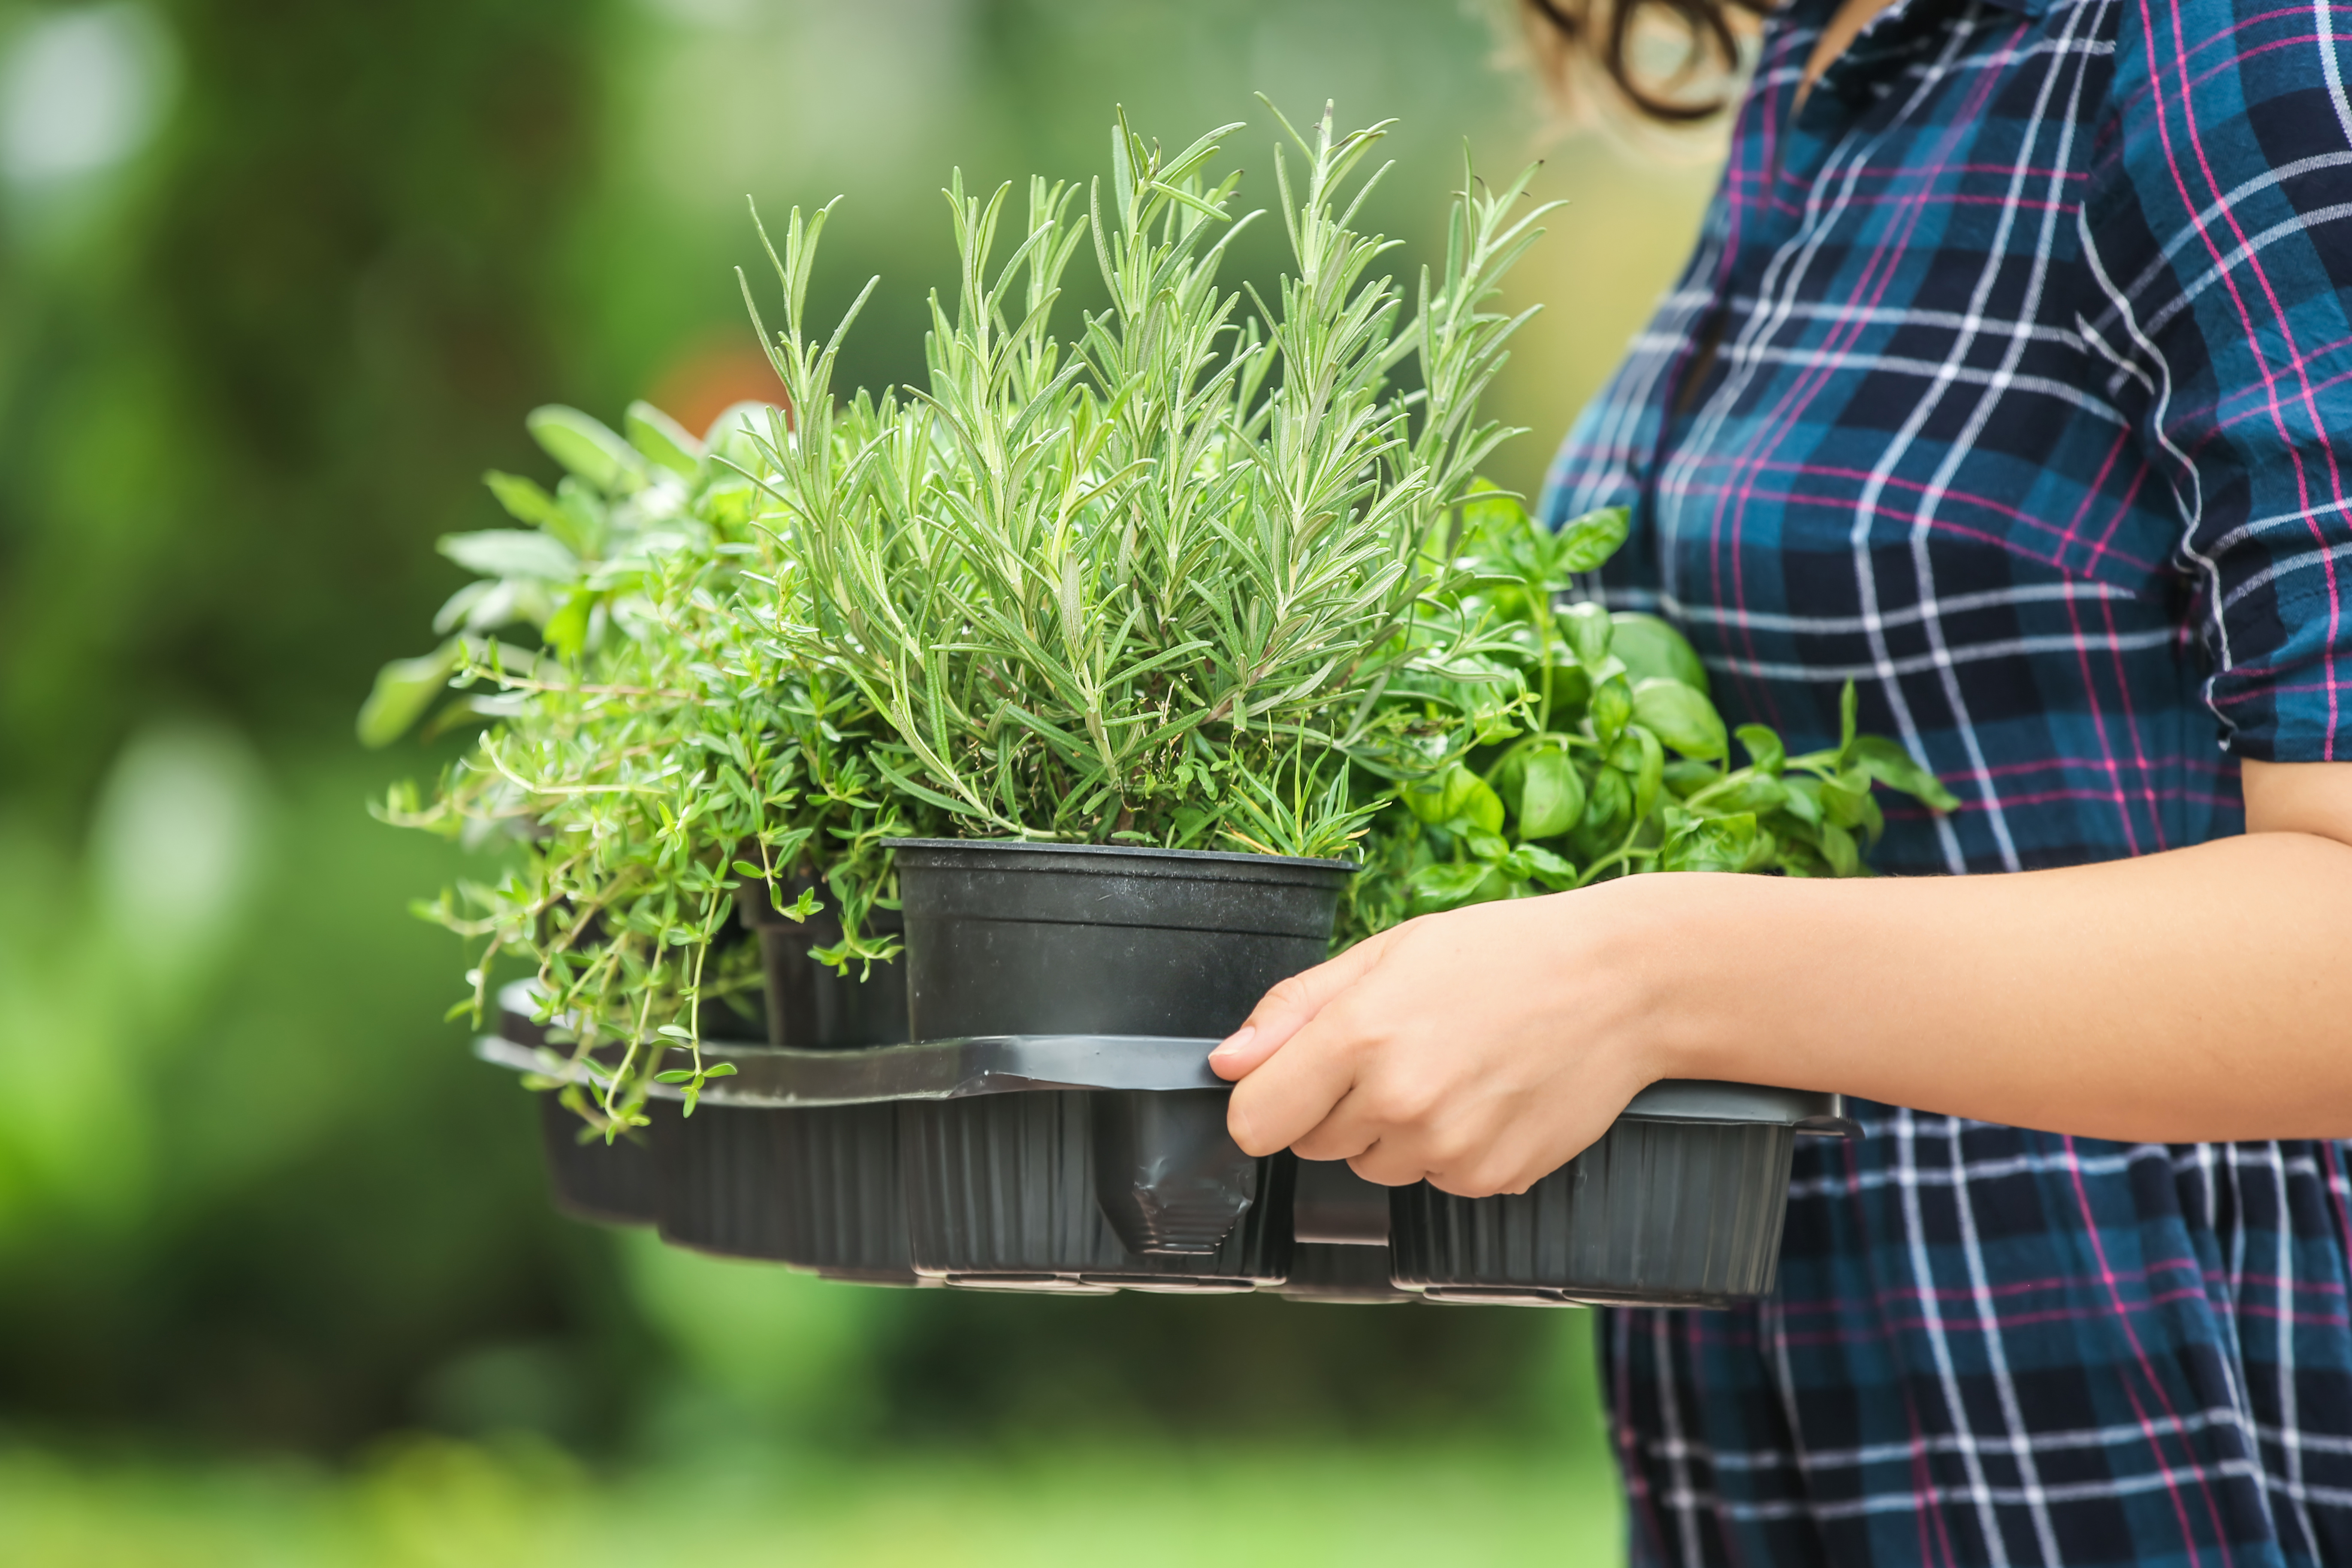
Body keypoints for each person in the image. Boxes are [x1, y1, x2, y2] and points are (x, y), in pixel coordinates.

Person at [1208, 0, 2352, 1560]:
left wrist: (1654, 973)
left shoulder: (2227, 39)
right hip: (1786, 1463)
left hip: (2176, 1470)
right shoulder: (1827, 66)